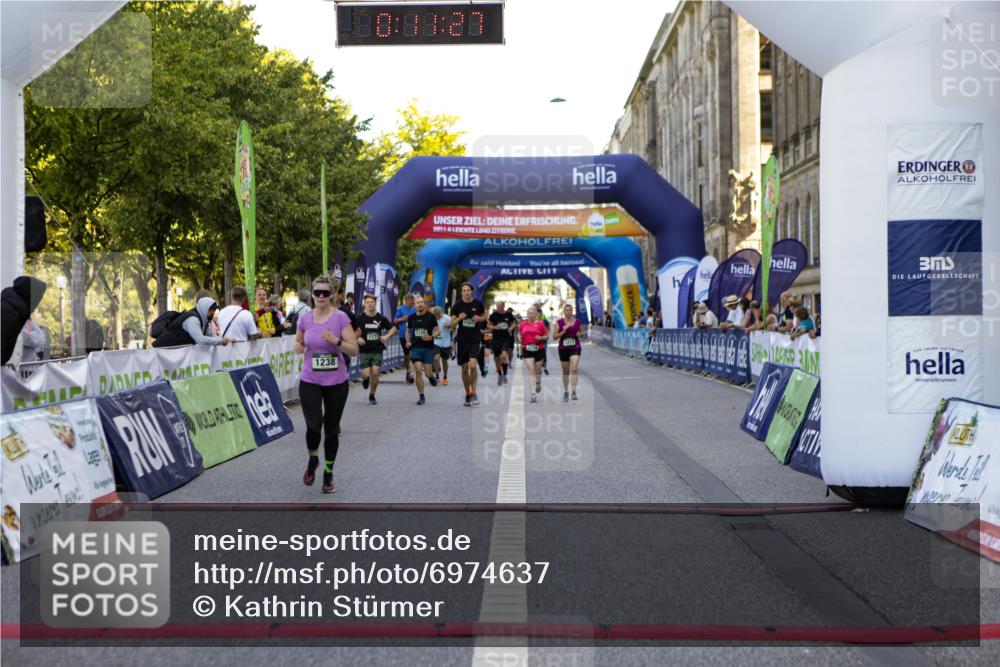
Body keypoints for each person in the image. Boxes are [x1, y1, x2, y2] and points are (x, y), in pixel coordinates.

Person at [294, 276, 358, 494]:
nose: (321, 296)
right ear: (312, 294)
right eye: (317, 293)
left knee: (331, 431)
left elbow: (354, 350)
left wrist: (336, 341)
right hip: (310, 380)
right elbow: (299, 341)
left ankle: (328, 473)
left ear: (331, 295)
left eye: (325, 293)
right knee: (313, 426)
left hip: (336, 382)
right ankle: (313, 458)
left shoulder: (340, 318)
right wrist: (297, 346)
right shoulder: (304, 318)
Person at [355, 294, 396, 405]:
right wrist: (357, 338)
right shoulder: (359, 318)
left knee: (375, 373)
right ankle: (365, 379)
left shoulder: (380, 318)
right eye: (367, 302)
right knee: (366, 374)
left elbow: (393, 329)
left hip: (377, 349)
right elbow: (351, 331)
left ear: (375, 304)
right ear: (364, 304)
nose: (370, 304)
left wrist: (387, 336)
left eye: (372, 302)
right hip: (364, 350)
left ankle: (372, 395)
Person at [450, 283, 487, 407]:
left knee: (473, 366)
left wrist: (479, 319)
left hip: (475, 339)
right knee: (464, 369)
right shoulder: (457, 306)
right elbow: (452, 325)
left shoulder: (478, 304)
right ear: (461, 292)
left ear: (472, 291)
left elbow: (484, 317)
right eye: (464, 290)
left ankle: (474, 393)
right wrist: (459, 319)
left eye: (468, 290)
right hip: (462, 340)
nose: (466, 292)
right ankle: (468, 393)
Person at [152, 297, 232, 348]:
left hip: (171, 353)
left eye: (214, 310)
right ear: (204, 308)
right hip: (162, 352)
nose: (212, 313)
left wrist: (229, 340)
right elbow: (200, 340)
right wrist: (221, 341)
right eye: (210, 310)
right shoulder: (193, 319)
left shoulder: (204, 320)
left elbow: (210, 336)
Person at [406, 295, 439, 405]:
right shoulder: (411, 317)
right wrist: (408, 341)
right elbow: (407, 331)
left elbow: (437, 330)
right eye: (417, 302)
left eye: (421, 302)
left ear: (424, 304)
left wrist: (431, 337)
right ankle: (421, 396)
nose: (420, 304)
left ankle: (431, 377)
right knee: (418, 370)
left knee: (428, 373)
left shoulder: (431, 316)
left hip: (428, 348)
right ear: (414, 305)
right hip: (416, 347)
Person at [553, 304, 584, 402]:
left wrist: (579, 334)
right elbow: (554, 337)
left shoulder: (578, 322)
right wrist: (563, 331)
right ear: (564, 312)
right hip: (563, 349)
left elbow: (582, 332)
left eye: (570, 310)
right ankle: (566, 391)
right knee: (565, 372)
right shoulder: (559, 323)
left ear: (572, 311)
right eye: (566, 310)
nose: (568, 312)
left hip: (575, 347)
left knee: (574, 369)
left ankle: (574, 391)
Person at [519, 306, 549, 403]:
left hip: (539, 349)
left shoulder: (540, 324)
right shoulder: (523, 324)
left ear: (536, 314)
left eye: (532, 313)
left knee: (538, 370)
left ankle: (538, 381)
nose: (530, 315)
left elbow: (546, 336)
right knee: (531, 369)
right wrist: (519, 338)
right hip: (527, 349)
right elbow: (519, 334)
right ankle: (533, 393)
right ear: (527, 314)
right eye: (529, 313)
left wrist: (541, 338)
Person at [488, 300, 516, 385]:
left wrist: (511, 328)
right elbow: (488, 325)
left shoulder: (508, 314)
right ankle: (500, 374)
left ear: (503, 306)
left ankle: (505, 374)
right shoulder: (493, 315)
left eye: (499, 306)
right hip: (496, 339)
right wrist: (494, 327)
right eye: (497, 306)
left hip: (506, 338)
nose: (497, 308)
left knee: (503, 355)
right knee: (497, 358)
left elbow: (514, 322)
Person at [394, 293, 417, 384]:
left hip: (414, 335)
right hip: (403, 335)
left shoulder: (415, 309)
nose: (409, 302)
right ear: (405, 301)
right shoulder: (400, 309)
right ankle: (408, 370)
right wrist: (402, 319)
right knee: (407, 355)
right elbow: (395, 320)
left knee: (413, 354)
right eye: (407, 301)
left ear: (413, 301)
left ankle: (411, 373)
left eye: (411, 301)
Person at [432, 306, 452, 385]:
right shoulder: (432, 319)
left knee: (444, 361)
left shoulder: (447, 318)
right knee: (436, 358)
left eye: (438, 315)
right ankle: (437, 376)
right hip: (436, 342)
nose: (437, 316)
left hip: (445, 343)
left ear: (441, 313)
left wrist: (449, 326)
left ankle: (445, 376)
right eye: (435, 315)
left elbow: (454, 327)